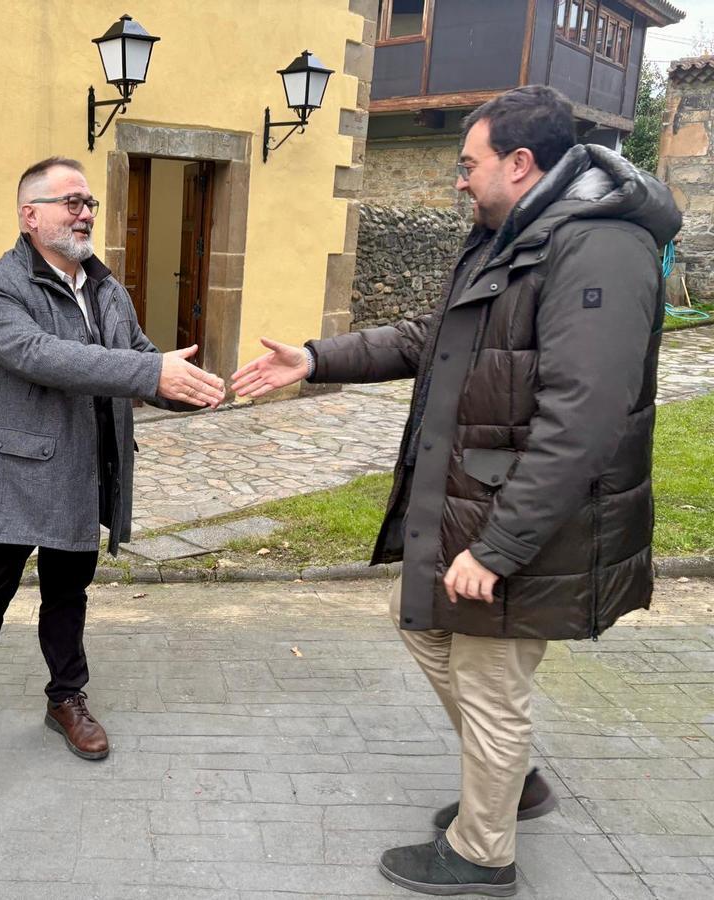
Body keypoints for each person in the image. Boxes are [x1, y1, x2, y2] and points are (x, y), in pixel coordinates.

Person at [231, 86, 680, 896]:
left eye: (469, 165)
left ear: (520, 162)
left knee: (489, 675)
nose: (460, 181)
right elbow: (426, 337)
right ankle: (512, 784)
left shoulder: (599, 251)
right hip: (474, 503)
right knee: (430, 632)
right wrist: (313, 358)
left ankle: (482, 854)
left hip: (526, 521)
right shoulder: (506, 236)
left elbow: (585, 418)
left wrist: (500, 547)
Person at [0, 156, 225, 761]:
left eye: (89, 204)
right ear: (30, 216)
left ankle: (65, 698)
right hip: (14, 473)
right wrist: (151, 370)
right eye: (70, 202)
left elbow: (139, 360)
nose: (84, 214)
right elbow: (43, 357)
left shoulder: (106, 288)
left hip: (82, 471)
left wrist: (192, 389)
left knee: (67, 595)